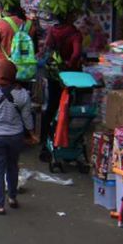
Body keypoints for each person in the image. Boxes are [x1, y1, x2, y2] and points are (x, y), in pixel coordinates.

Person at [0, 60, 36, 215]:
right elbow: (27, 117)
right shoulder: (22, 94)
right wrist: (31, 132)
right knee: (13, 167)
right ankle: (13, 198)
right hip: (16, 136)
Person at [40, 12, 84, 146]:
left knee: (52, 104)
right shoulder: (74, 34)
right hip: (69, 75)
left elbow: (46, 48)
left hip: (53, 73)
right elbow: (76, 53)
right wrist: (70, 64)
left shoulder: (53, 31)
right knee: (66, 105)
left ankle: (45, 136)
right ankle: (61, 136)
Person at [0, 2, 32, 81]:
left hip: (3, 68)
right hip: (25, 68)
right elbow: (35, 48)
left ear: (5, 10)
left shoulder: (1, 24)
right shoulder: (30, 24)